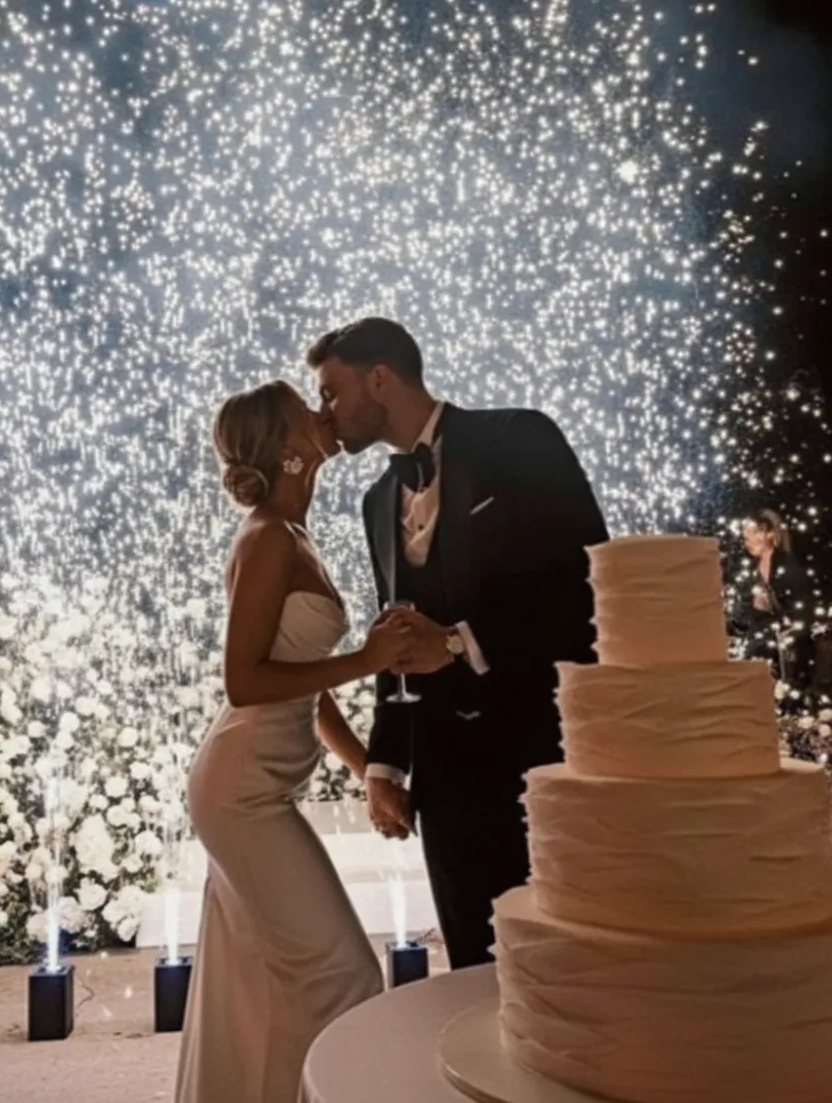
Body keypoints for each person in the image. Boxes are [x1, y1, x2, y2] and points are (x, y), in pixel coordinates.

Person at [307, 318, 608, 970]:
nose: (323, 413)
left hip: (541, 755)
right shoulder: (375, 500)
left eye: (331, 393)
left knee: (565, 966)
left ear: (379, 379)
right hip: (444, 783)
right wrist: (384, 765)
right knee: (473, 969)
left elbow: (588, 582)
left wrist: (459, 641)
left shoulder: (519, 437)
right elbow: (395, 636)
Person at [174, 380, 412, 1103]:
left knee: (260, 982)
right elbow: (244, 681)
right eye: (304, 412)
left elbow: (307, 688)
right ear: (287, 450)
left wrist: (368, 768)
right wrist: (369, 659)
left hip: (258, 788)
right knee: (343, 972)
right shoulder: (267, 537)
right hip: (240, 793)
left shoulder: (292, 531)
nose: (322, 413)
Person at [735, 507, 815, 689]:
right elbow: (741, 614)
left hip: (783, 648)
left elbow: (803, 610)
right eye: (745, 533)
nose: (746, 538)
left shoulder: (787, 566)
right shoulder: (749, 571)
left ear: (769, 533)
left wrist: (775, 612)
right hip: (757, 644)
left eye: (753, 532)